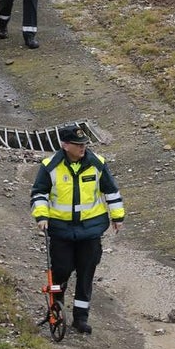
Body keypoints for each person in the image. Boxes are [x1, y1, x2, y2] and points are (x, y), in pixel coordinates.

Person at [30, 125, 125, 335]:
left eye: (84, 145)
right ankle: (57, 308)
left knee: (86, 272)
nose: (83, 148)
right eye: (78, 145)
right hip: (61, 230)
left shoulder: (96, 164)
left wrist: (117, 216)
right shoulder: (50, 166)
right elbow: (39, 194)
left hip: (90, 230)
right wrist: (41, 216)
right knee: (61, 270)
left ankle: (81, 319)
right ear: (65, 145)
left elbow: (111, 191)